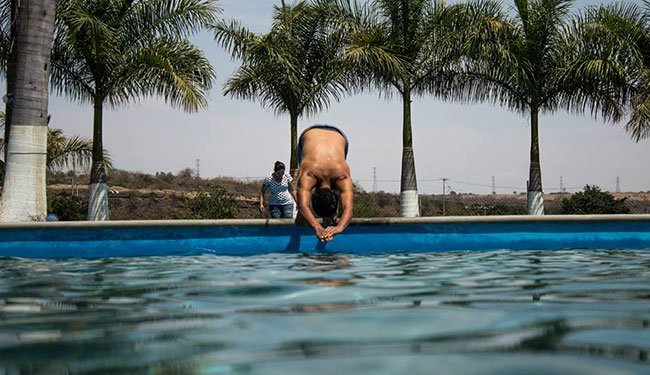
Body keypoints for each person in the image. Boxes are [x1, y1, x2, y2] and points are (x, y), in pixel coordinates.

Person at [296, 125, 353, 242]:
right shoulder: (310, 174)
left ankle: (302, 215)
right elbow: (348, 208)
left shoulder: (310, 174)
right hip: (311, 134)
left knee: (303, 193)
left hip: (339, 137)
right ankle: (322, 214)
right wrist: (339, 227)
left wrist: (319, 228)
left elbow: (303, 206)